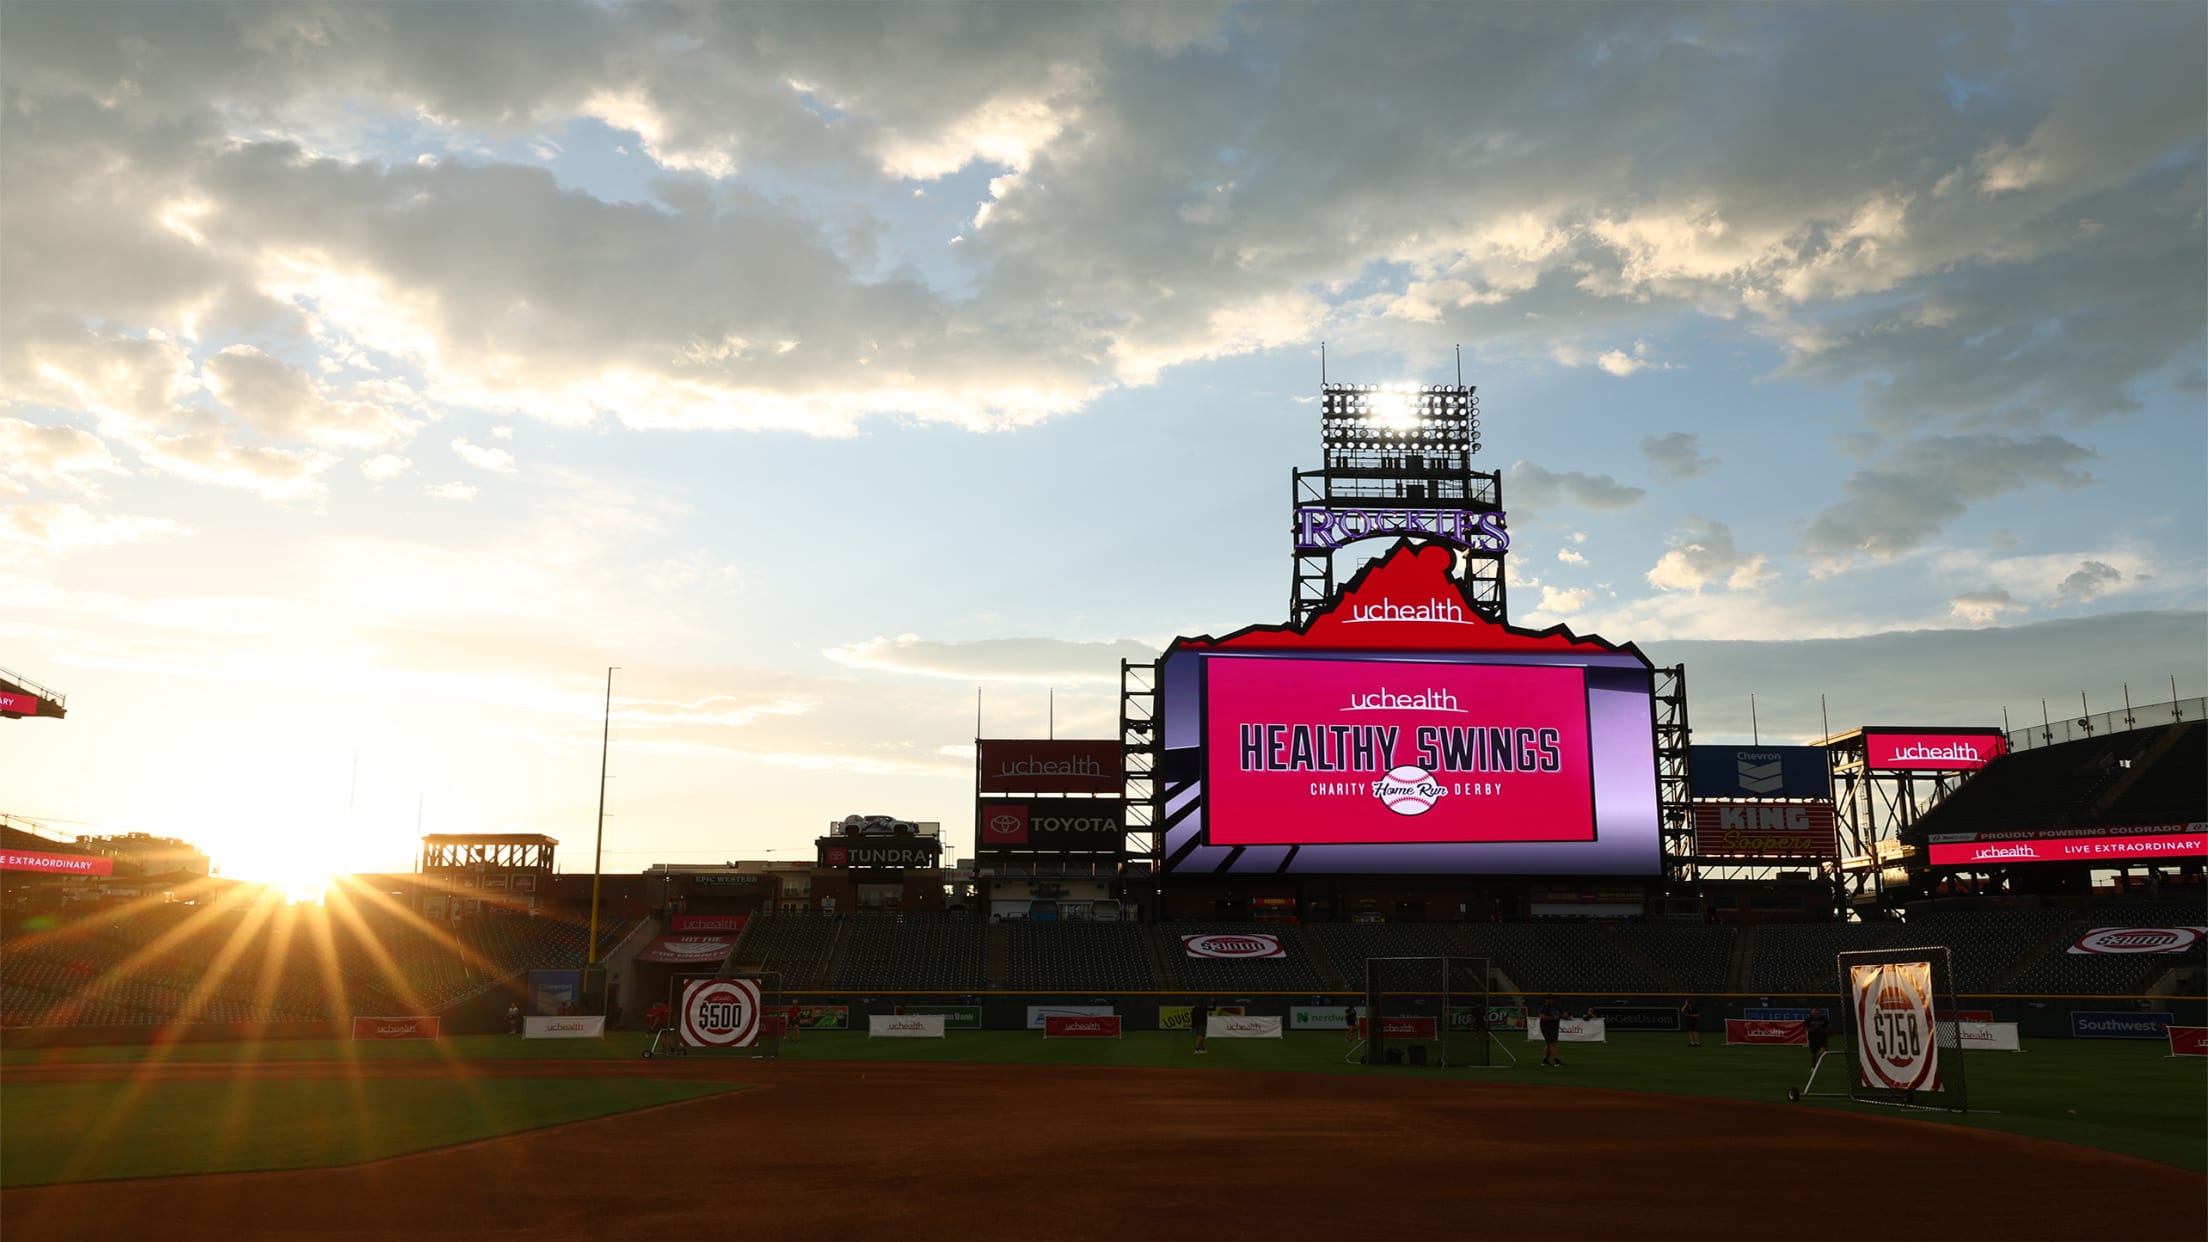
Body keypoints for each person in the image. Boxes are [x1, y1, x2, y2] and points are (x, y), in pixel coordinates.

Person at [1538, 996, 1564, 1067]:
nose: (1550, 1001)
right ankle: (1557, 1061)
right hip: (1546, 1027)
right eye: (1549, 999)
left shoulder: (1557, 1007)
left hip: (1554, 1027)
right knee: (1552, 1043)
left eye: (1551, 999)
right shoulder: (1545, 1007)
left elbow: (1563, 1014)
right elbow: (1541, 1016)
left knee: (1548, 1043)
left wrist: (1563, 1015)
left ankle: (1545, 1060)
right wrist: (1553, 1018)